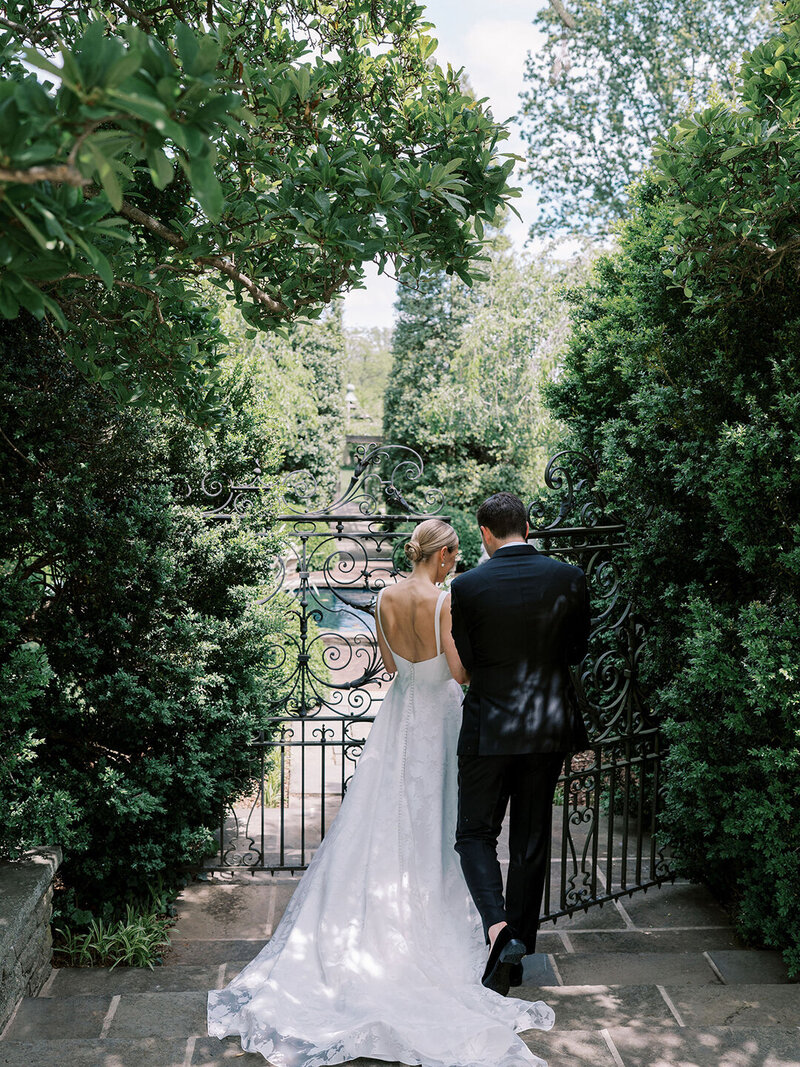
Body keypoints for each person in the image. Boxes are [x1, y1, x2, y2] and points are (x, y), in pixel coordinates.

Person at [207, 517, 554, 1067]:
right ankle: (438, 916)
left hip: (400, 716)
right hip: (440, 716)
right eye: (455, 556)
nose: (456, 564)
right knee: (445, 817)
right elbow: (459, 674)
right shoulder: (443, 602)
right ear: (441, 557)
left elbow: (391, 665)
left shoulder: (383, 598)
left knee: (386, 811)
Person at [450, 492, 591, 996]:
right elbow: (576, 650)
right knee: (532, 836)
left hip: (489, 727)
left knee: (474, 834)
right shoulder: (569, 578)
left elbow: (465, 664)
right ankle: (517, 951)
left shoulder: (468, 586)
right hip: (547, 727)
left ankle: (498, 930)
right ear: (528, 527)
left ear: (485, 534)